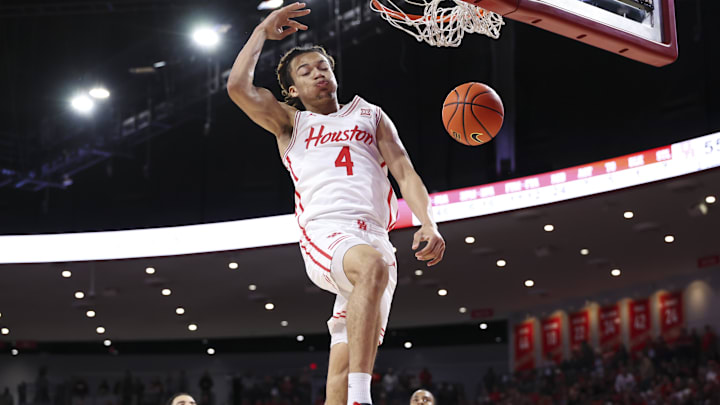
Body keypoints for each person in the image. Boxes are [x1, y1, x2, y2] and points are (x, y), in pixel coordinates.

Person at [226, 3, 446, 405]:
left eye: (321, 66)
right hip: (327, 232)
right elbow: (237, 88)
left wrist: (427, 222)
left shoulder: (371, 115)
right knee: (371, 268)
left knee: (342, 368)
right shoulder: (291, 122)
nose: (317, 73)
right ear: (292, 90)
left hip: (376, 236)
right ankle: (365, 399)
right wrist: (260, 32)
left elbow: (405, 171)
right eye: (305, 71)